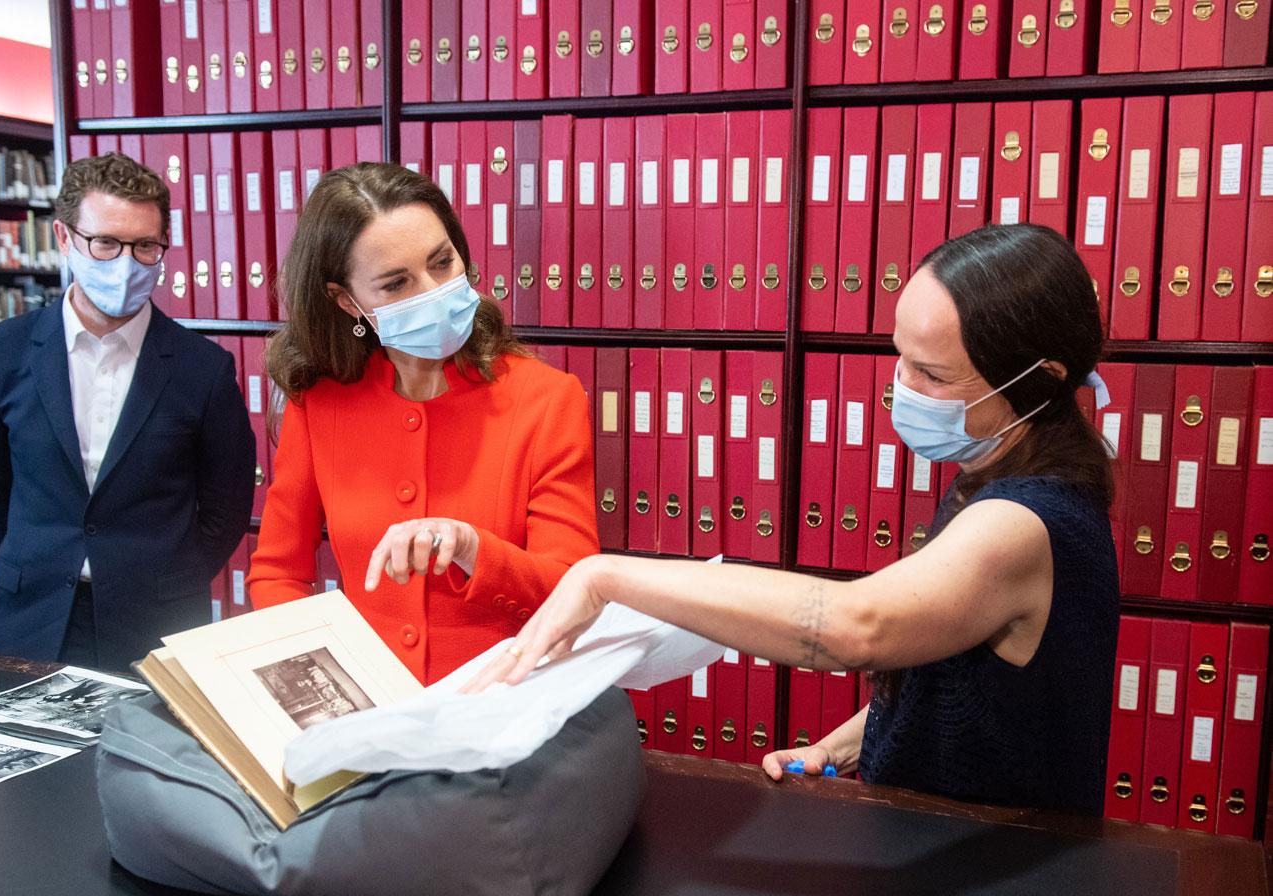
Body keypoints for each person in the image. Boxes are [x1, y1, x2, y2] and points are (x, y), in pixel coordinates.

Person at [468, 223, 1121, 818]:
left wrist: (607, 576)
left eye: (931, 373)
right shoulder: (999, 471)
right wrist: (844, 745)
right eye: (901, 357)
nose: (901, 386)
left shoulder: (1022, 523)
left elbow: (857, 626)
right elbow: (966, 680)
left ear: (1040, 382)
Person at [247, 163, 599, 685]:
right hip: (366, 710)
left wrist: (471, 548)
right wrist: (313, 685)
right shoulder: (318, 402)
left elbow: (575, 590)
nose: (432, 291)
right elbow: (278, 572)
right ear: (347, 301)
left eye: (442, 262)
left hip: (504, 706)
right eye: (396, 284)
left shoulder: (547, 399)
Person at [0, 152, 255, 671]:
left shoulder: (203, 368)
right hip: (31, 615)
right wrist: (39, 558)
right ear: (63, 238)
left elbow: (227, 504)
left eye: (145, 246)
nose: (126, 264)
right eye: (106, 243)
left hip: (157, 622)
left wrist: (171, 574)